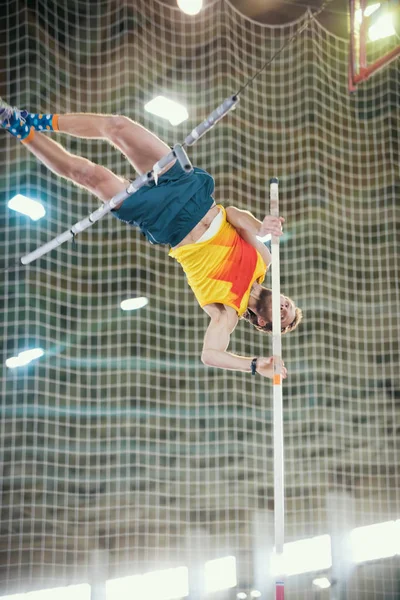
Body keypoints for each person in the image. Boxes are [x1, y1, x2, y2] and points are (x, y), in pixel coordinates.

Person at [0, 100, 302, 379]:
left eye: (284, 320)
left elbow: (210, 355)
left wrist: (252, 364)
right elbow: (235, 214)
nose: (287, 309)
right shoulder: (264, 258)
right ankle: (35, 121)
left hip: (164, 220)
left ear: (263, 323)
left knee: (88, 175)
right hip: (189, 190)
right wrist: (261, 226)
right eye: (290, 308)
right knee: (118, 126)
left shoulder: (227, 312)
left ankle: (17, 128)